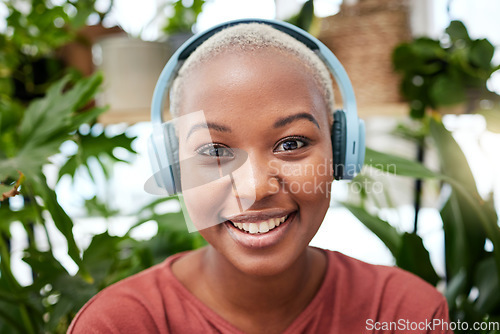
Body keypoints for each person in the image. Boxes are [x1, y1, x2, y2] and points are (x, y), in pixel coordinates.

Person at [69, 21, 452, 334]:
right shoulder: (118, 325)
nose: (254, 188)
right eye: (215, 152)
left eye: (291, 143)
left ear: (340, 150)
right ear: (174, 168)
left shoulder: (405, 313)